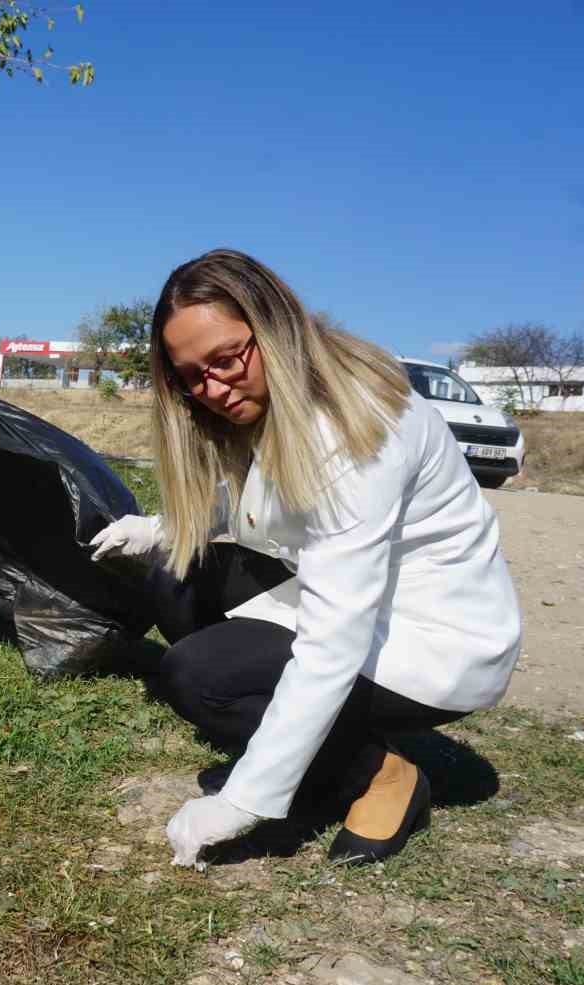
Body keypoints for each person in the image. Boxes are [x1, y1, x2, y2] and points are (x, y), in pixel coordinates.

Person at [90, 249, 522, 866]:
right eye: (189, 376)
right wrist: (159, 526)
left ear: (275, 325)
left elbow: (333, 639)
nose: (210, 389)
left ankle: (381, 775)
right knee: (176, 572)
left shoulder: (355, 428)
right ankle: (321, 738)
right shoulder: (278, 402)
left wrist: (248, 796)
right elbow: (258, 498)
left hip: (432, 638)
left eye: (225, 359)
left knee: (200, 677)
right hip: (361, 602)